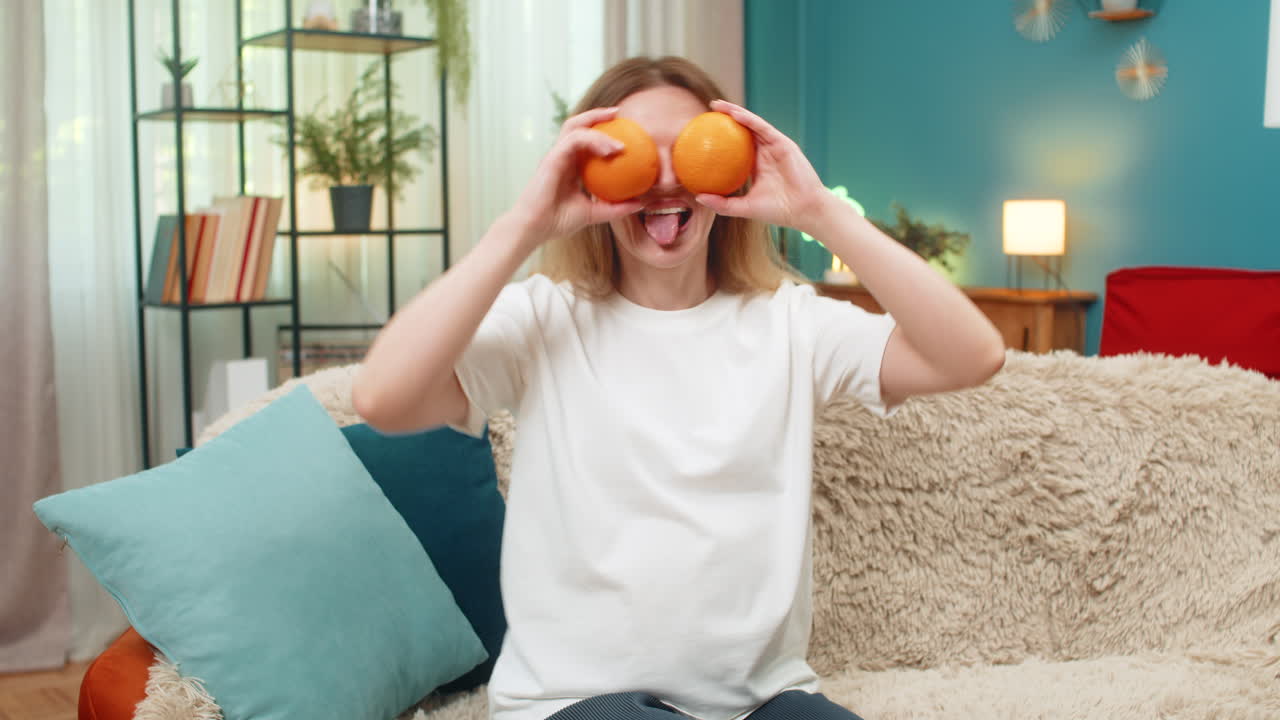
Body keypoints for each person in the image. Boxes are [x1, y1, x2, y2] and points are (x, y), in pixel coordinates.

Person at [354, 57, 1005, 720]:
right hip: (574, 703)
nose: (665, 180)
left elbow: (973, 355)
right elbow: (384, 398)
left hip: (762, 704)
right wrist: (525, 222)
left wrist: (820, 212)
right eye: (635, 152)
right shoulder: (543, 319)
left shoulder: (790, 323)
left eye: (688, 150)